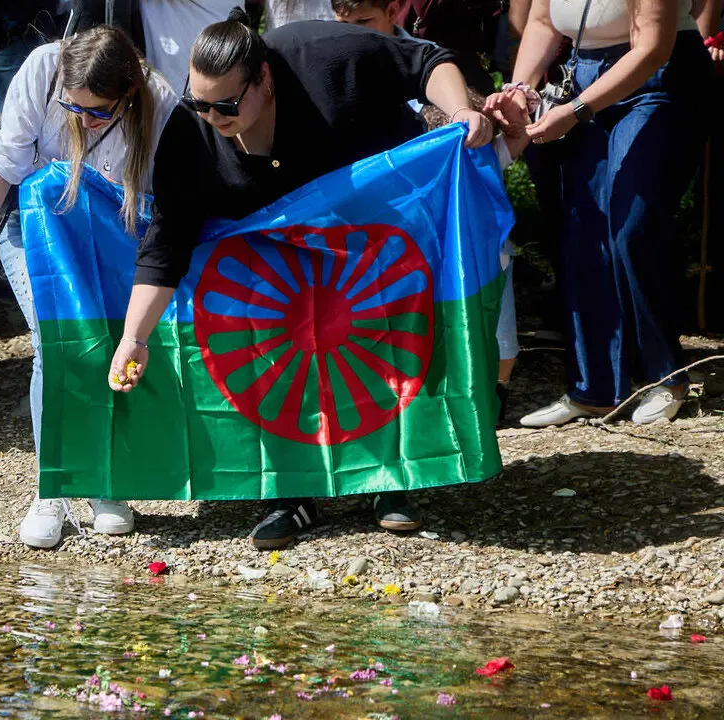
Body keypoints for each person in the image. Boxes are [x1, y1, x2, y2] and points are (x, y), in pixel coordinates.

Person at [108, 11, 492, 548]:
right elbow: (166, 246)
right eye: (199, 102)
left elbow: (426, 60)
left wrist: (459, 113)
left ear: (264, 78)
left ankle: (394, 481)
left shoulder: (325, 54)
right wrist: (135, 337)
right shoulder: (190, 134)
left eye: (225, 104)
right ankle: (289, 494)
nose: (211, 116)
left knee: (384, 345)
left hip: (373, 226)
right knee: (275, 357)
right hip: (276, 265)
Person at [0, 25, 180, 548]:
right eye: (73, 108)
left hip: (115, 235)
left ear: (127, 95)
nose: (82, 122)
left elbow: (170, 205)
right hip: (35, 231)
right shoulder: (43, 69)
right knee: (56, 340)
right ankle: (56, 486)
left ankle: (104, 481)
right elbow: (1, 165)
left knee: (111, 342)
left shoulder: (159, 101)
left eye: (97, 112)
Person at [488, 0, 712, 427]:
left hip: (658, 79)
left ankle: (667, 376)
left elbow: (652, 48)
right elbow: (540, 21)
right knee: (582, 231)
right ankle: (594, 389)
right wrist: (520, 87)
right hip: (582, 74)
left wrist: (574, 112)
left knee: (633, 225)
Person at [331, 0, 522, 420]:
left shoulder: (430, 66)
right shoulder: (335, 63)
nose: (356, 33)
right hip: (384, 232)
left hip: (449, 224)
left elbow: (488, 151)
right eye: (345, 24)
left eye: (365, 22)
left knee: (486, 315)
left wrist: (499, 123)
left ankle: (489, 399)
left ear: (394, 11)